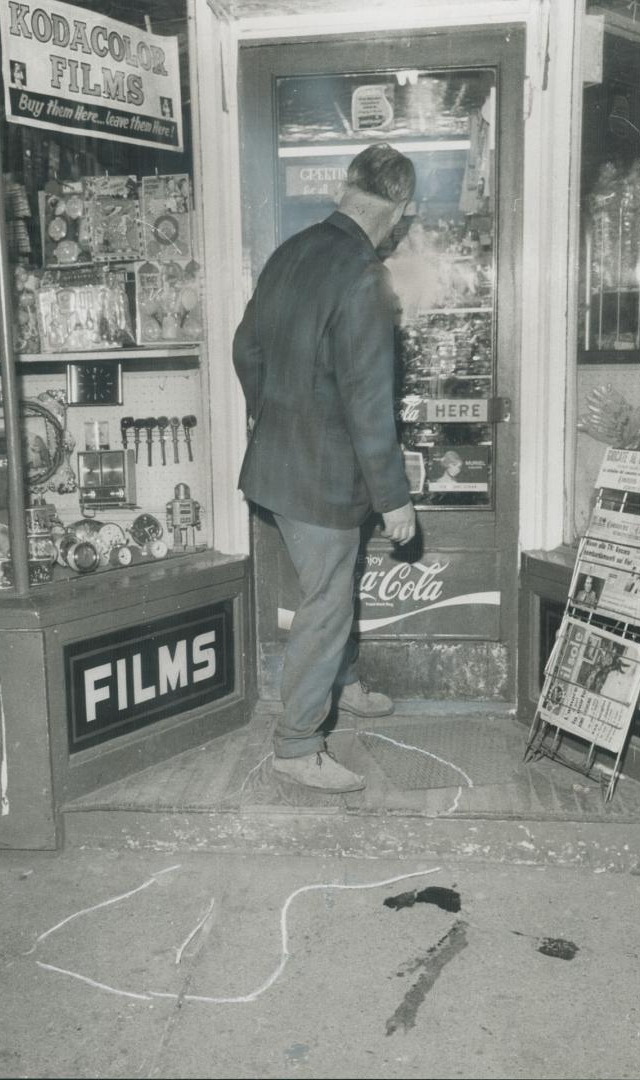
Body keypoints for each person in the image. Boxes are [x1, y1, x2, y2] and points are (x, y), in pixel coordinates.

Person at [233, 143, 417, 795]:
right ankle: (297, 744)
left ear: (347, 189)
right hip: (322, 479)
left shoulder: (291, 250)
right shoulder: (365, 274)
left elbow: (244, 347)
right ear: (400, 209)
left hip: (276, 471)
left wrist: (277, 412)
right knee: (325, 602)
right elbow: (368, 403)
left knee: (326, 590)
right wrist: (394, 499)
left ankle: (344, 684)